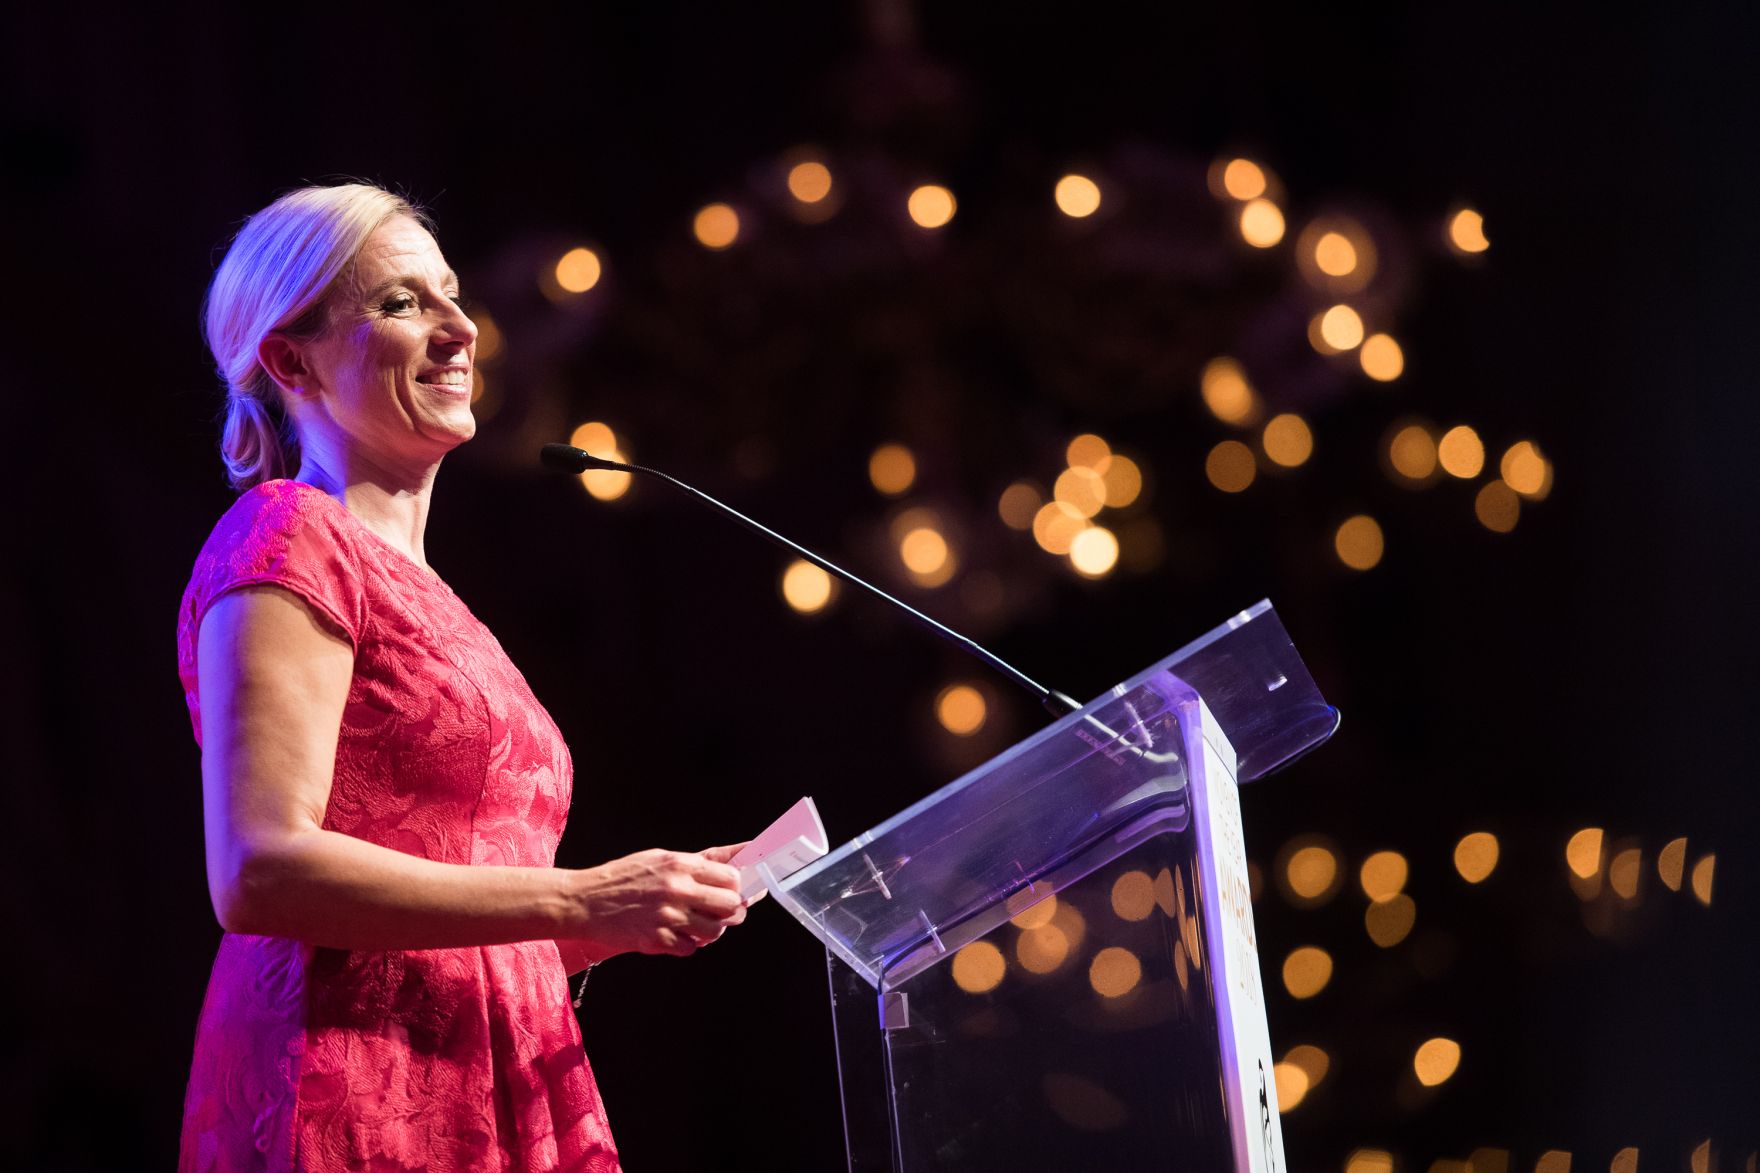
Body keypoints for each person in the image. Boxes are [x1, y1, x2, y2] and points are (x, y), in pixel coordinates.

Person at [176, 182, 751, 1172]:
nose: (457, 329)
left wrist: (624, 916)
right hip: (354, 1094)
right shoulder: (288, 534)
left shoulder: (436, 598)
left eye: (450, 296)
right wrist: (577, 899)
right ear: (289, 357)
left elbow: (439, 921)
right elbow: (258, 867)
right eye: (400, 304)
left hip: (492, 1074)